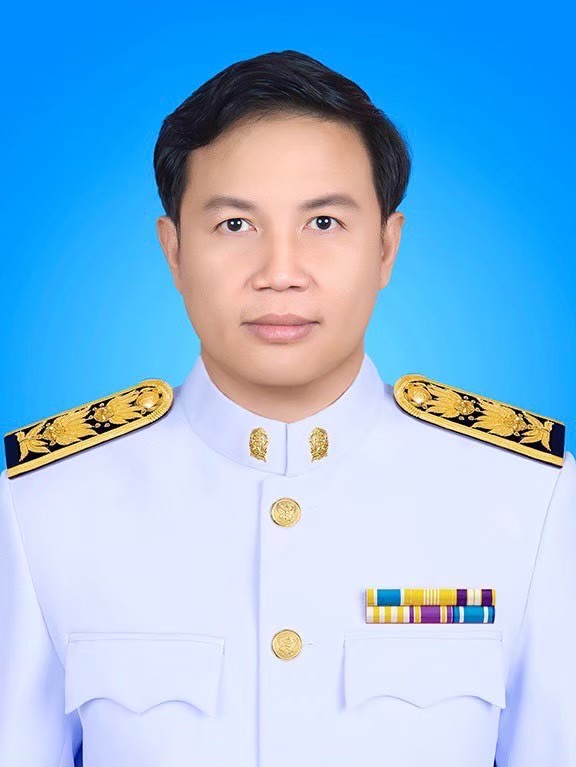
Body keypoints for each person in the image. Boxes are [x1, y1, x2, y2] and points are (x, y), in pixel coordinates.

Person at [1, 48, 574, 767]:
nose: (280, 273)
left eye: (324, 223)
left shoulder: (529, 497)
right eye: (235, 226)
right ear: (173, 251)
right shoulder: (44, 503)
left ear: (387, 247)